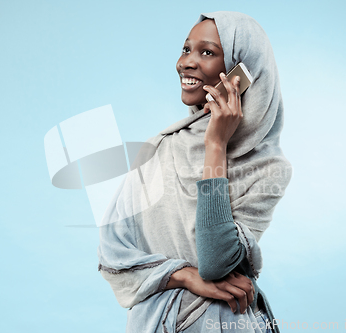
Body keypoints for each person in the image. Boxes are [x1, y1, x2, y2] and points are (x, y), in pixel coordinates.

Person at [97, 11, 292, 333]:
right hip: (157, 322)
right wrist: (183, 274)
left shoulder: (268, 168)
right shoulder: (160, 149)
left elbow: (216, 259)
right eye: (186, 49)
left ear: (242, 72)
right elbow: (112, 250)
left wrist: (215, 144)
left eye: (208, 52)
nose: (186, 62)